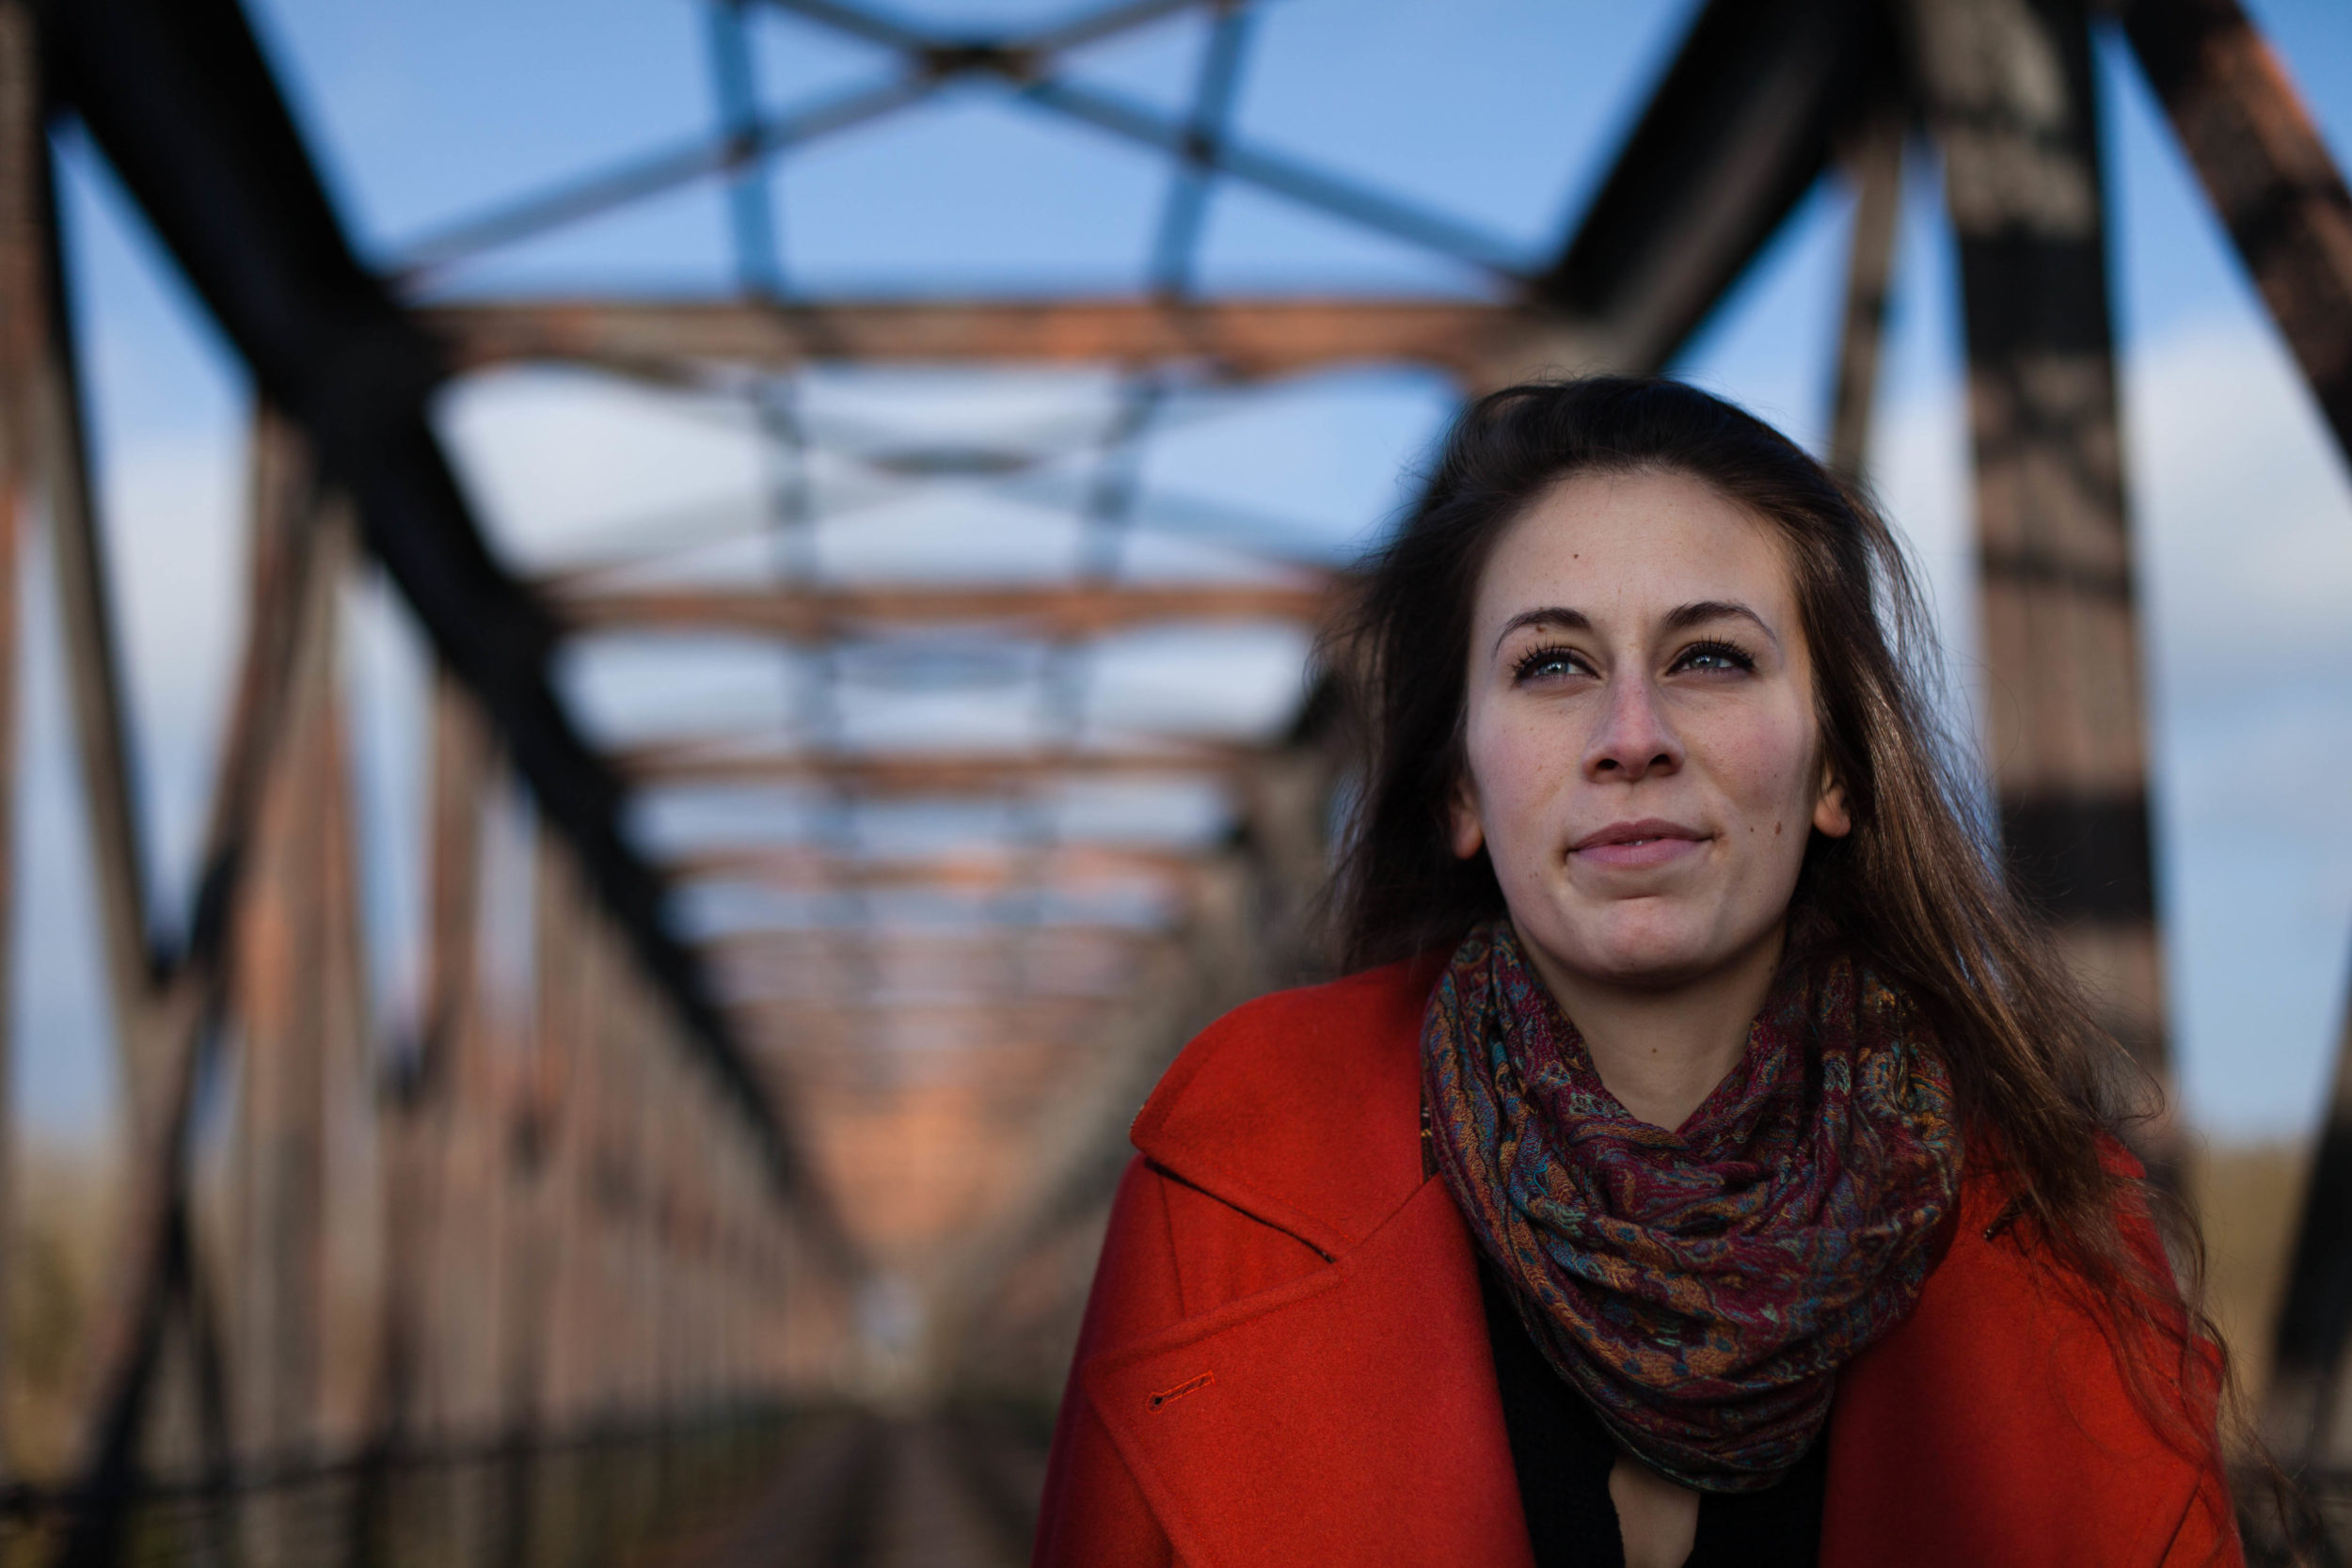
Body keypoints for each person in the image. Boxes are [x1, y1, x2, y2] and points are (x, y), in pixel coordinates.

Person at [1030, 377, 2240, 1568]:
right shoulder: (1240, 1177)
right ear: (1459, 788)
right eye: (1552, 665)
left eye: (1709, 657)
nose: (1632, 736)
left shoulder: (2060, 1232)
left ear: (1835, 768)